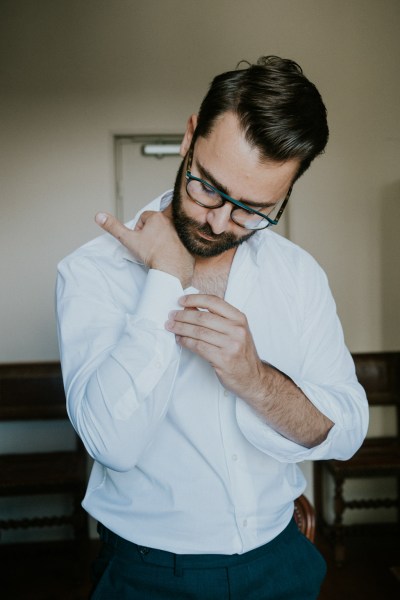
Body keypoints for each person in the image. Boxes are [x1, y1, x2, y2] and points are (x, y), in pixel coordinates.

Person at [56, 56, 368, 599]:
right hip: (146, 574)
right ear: (189, 136)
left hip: (282, 560)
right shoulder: (92, 271)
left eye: (253, 209)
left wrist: (255, 379)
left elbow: (343, 432)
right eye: (208, 188)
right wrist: (167, 278)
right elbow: (111, 444)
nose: (220, 222)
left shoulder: (299, 275)